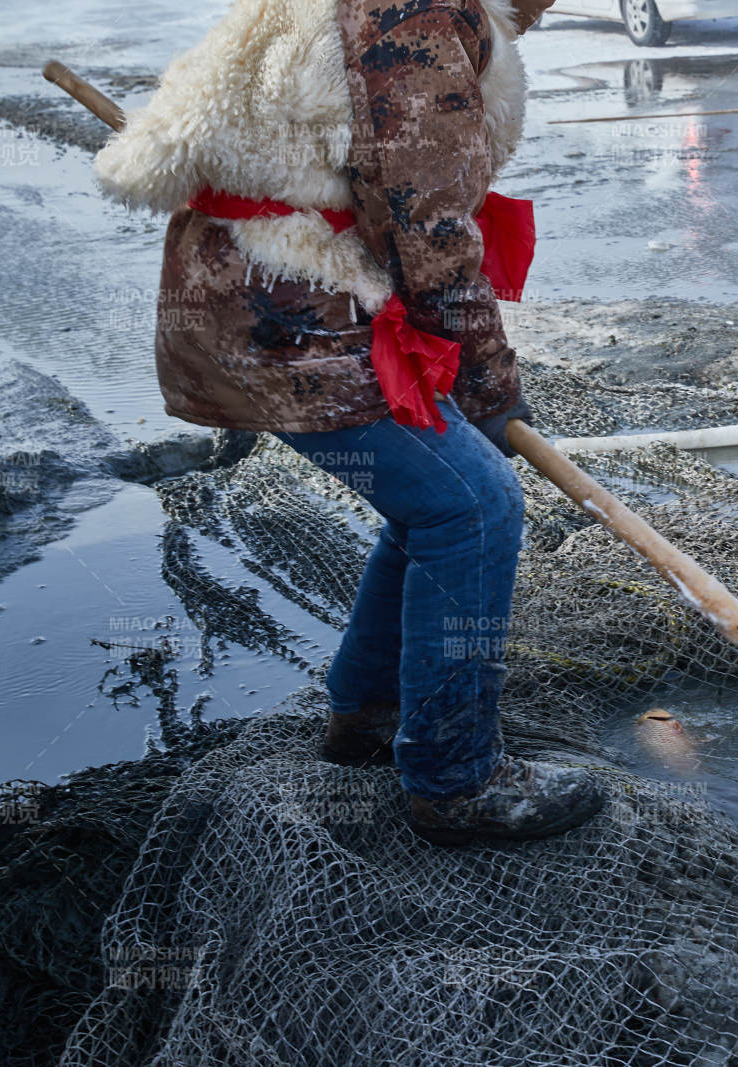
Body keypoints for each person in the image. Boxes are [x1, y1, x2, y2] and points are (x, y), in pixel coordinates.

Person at [92, 0, 603, 845]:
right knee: (475, 505)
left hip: (253, 290)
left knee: (434, 498)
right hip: (283, 305)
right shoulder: (421, 13)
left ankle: (369, 711)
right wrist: (488, 384)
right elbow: (428, 230)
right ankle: (456, 779)